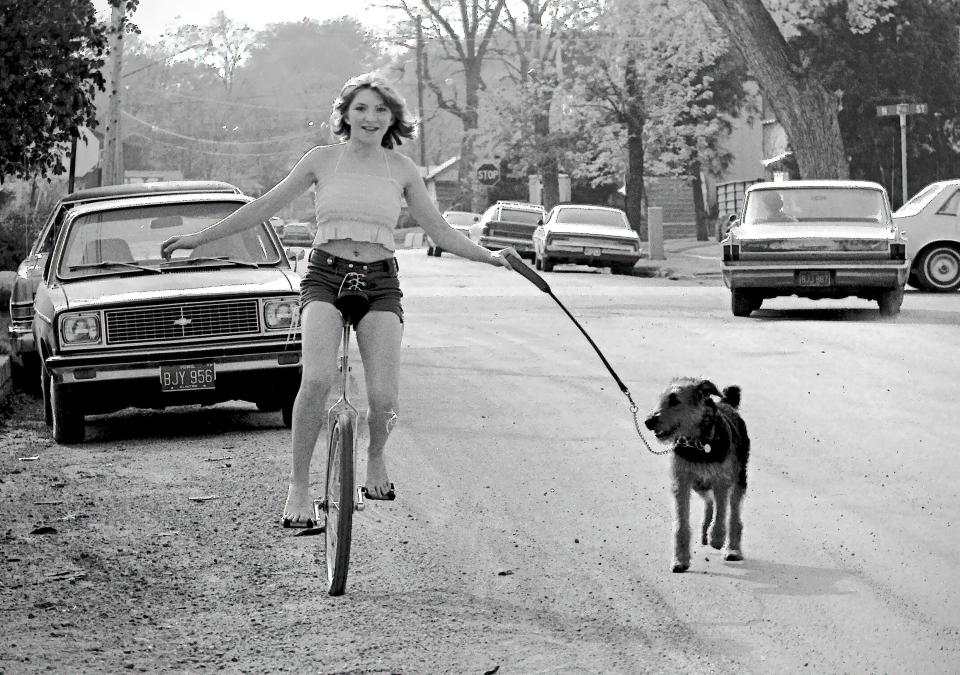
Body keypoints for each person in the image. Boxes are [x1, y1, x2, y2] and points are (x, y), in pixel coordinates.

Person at [160, 72, 518, 527]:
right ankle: (297, 488)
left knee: (385, 399)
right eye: (362, 108)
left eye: (381, 110)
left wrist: (490, 257)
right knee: (316, 380)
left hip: (380, 280)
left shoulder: (403, 169)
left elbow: (441, 231)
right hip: (325, 277)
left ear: (393, 119)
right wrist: (199, 238)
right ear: (345, 114)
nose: (371, 117)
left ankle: (375, 460)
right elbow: (262, 207)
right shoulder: (321, 160)